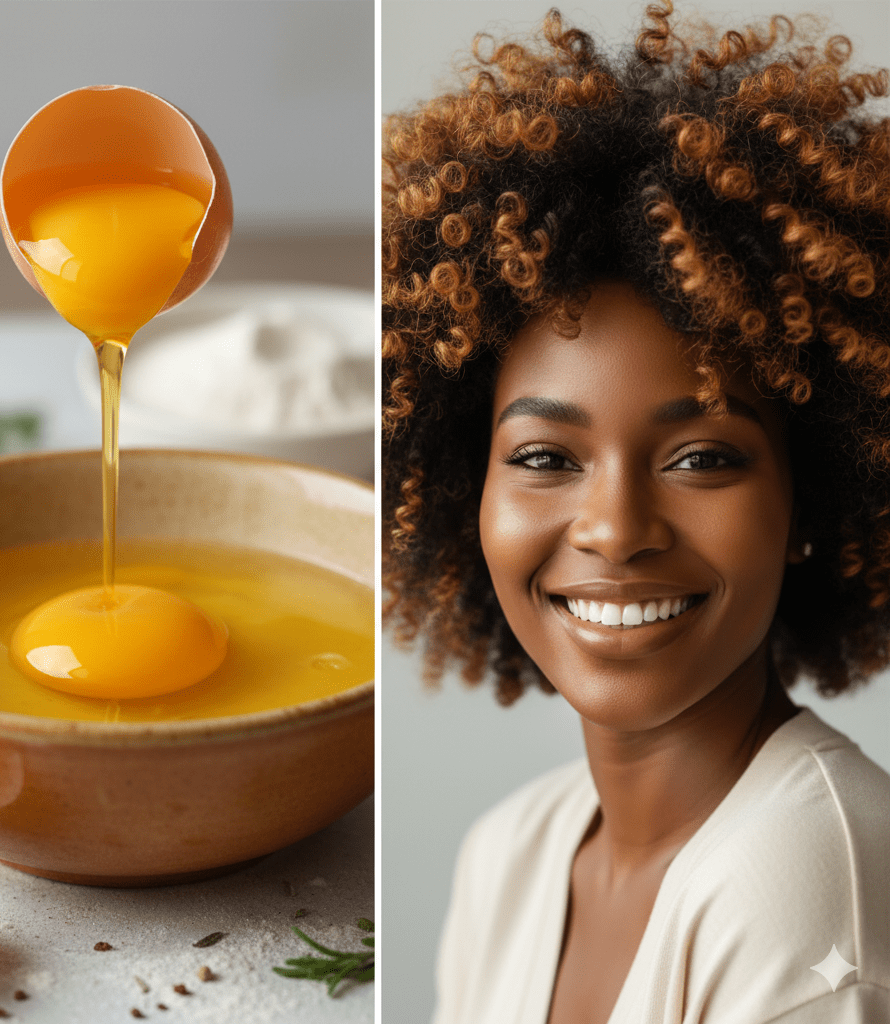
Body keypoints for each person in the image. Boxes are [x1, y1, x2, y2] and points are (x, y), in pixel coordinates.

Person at [381, 2, 890, 1021]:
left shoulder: (809, 879)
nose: (614, 527)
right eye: (541, 456)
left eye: (702, 456)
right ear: (458, 486)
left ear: (810, 495)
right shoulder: (510, 851)